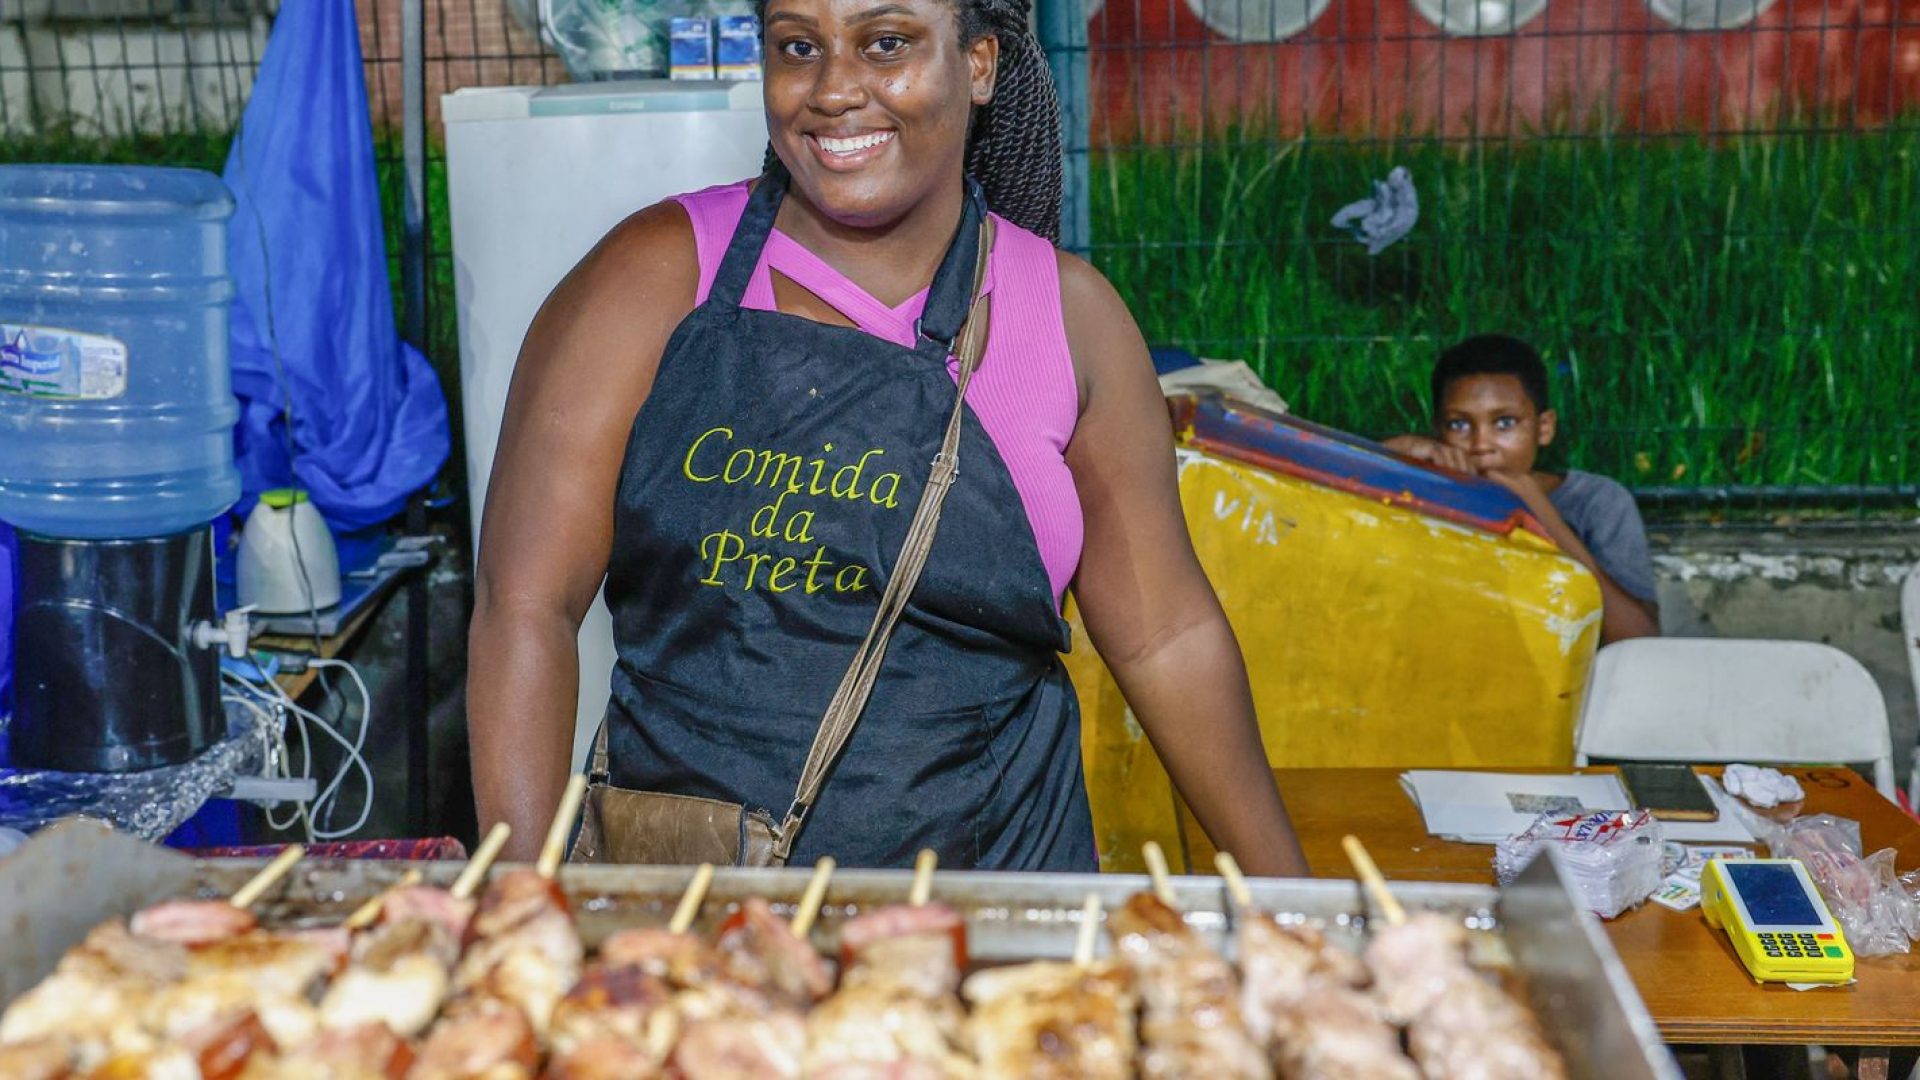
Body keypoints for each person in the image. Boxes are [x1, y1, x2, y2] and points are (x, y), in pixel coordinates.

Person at [467, 0, 1307, 874]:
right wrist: (520, 902)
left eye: (886, 43)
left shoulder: (1070, 319)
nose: (833, 89)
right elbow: (524, 604)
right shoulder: (650, 278)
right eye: (799, 46)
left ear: (978, 64)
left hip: (997, 923)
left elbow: (1163, 635)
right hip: (696, 922)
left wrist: (1297, 901)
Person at [1385, 334, 1660, 645]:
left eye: (1505, 423)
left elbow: (1641, 638)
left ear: (1544, 428)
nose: (1480, 445)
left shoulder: (1595, 501)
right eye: (1459, 425)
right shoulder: (1422, 491)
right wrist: (1390, 458)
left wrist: (1542, 515)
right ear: (1437, 430)